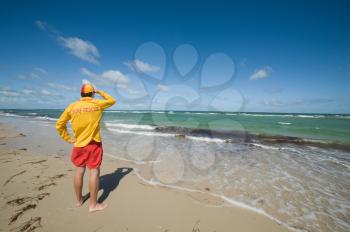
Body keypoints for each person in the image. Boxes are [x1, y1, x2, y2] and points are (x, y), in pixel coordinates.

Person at [55, 84, 116, 212]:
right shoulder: (97, 103)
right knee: (94, 172)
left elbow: (59, 125)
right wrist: (100, 92)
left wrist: (68, 138)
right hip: (93, 144)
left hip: (78, 144)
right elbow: (112, 100)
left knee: (79, 171)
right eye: (94, 92)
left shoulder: (72, 106)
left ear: (81, 94)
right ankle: (93, 205)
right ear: (92, 93)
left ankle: (79, 200)